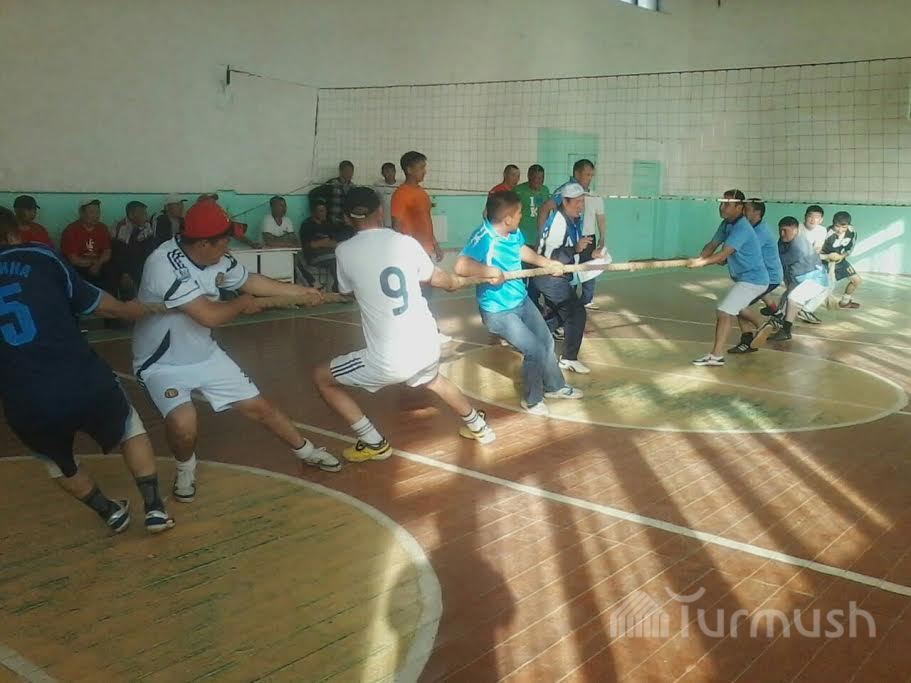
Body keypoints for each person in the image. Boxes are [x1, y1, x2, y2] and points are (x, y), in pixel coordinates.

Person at [133, 198, 340, 503]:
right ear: (203, 243)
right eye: (225, 240)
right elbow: (208, 315)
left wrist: (301, 292)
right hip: (162, 363)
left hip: (205, 354)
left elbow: (250, 280)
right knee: (183, 423)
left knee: (261, 407)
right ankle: (185, 468)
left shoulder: (216, 257)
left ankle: (307, 451)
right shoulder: (164, 265)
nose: (229, 246)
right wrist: (242, 303)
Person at [0, 206, 173, 534]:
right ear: (12, 234)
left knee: (57, 462)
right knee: (129, 428)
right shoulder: (39, 256)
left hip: (24, 397)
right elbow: (98, 304)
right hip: (80, 376)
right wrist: (128, 309)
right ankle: (154, 508)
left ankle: (109, 512)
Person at [314, 188, 494, 462]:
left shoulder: (344, 251)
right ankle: (478, 426)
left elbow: (347, 291)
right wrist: (456, 282)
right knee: (432, 379)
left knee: (322, 378)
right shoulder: (406, 243)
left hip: (388, 359)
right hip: (426, 345)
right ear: (380, 212)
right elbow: (442, 281)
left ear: (348, 220)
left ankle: (373, 442)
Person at [455, 190, 583, 416]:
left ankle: (555, 386)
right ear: (507, 219)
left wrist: (547, 263)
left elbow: (521, 250)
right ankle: (532, 400)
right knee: (533, 349)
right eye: (519, 213)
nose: (522, 216)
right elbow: (461, 266)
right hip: (498, 311)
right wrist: (488, 271)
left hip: (520, 300)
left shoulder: (513, 232)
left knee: (546, 340)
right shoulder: (485, 237)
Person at [687, 190, 769, 366]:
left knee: (724, 311)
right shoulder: (726, 224)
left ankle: (716, 356)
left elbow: (723, 254)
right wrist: (700, 258)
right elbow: (712, 245)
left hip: (754, 279)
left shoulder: (742, 228)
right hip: (744, 278)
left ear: (739, 207)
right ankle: (762, 324)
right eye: (721, 203)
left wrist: (701, 263)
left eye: (727, 204)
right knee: (734, 308)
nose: (722, 207)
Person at [391, 150, 450, 344]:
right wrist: (402, 251)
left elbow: (426, 222)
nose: (425, 171)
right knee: (416, 293)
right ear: (409, 169)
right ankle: (420, 331)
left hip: (427, 250)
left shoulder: (422, 193)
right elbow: (396, 224)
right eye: (421, 167)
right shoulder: (401, 194)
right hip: (412, 252)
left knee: (426, 292)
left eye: (425, 167)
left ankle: (426, 330)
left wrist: (435, 244)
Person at [534, 183, 591, 374]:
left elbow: (571, 250)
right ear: (565, 202)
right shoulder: (559, 222)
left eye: (582, 201)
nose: (581, 205)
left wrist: (591, 254)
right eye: (577, 202)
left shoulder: (571, 219)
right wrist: (575, 248)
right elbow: (550, 257)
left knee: (560, 315)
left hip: (557, 276)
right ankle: (569, 359)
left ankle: (531, 338)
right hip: (548, 276)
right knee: (577, 312)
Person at [538, 159, 607, 310]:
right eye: (587, 174)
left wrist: (601, 242)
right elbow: (544, 209)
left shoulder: (592, 196)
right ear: (576, 173)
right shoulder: (565, 194)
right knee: (564, 275)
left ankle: (582, 302)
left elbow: (601, 220)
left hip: (583, 240)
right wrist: (541, 236)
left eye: (591, 175)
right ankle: (558, 308)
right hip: (565, 244)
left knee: (584, 273)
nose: (589, 178)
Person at [728, 198, 784, 353]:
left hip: (768, 277)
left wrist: (716, 258)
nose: (742, 212)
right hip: (755, 276)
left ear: (757, 212)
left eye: (746, 209)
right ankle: (776, 314)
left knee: (738, 305)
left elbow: (738, 250)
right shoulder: (749, 228)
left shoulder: (760, 232)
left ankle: (762, 326)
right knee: (743, 302)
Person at [769, 217, 830, 342]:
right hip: (799, 279)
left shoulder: (799, 245)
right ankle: (780, 322)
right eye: (780, 230)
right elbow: (785, 268)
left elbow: (778, 262)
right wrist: (788, 285)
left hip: (816, 280)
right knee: (785, 301)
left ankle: (786, 330)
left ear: (796, 230)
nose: (782, 234)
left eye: (785, 231)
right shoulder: (783, 241)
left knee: (793, 298)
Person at [61, 199, 114, 292]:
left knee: (111, 271)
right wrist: (93, 263)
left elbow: (107, 251)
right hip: (80, 266)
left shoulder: (102, 228)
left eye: (98, 212)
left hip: (99, 264)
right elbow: (74, 260)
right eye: (92, 212)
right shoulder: (71, 230)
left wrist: (98, 264)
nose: (96, 216)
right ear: (81, 213)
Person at [111, 200, 157, 299]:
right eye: (142, 213)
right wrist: (125, 273)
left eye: (145, 213)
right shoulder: (121, 227)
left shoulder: (146, 226)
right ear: (131, 215)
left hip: (142, 263)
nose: (146, 216)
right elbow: (118, 253)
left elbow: (150, 248)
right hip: (125, 266)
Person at [821, 211, 862, 309]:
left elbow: (850, 248)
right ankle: (805, 308)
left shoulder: (852, 231)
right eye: (837, 226)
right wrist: (828, 256)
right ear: (833, 224)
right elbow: (816, 252)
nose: (840, 230)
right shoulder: (825, 234)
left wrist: (841, 256)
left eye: (844, 227)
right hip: (824, 262)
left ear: (848, 225)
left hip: (840, 260)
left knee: (856, 280)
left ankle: (844, 302)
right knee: (823, 288)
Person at [514, 165, 551, 247]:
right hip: (522, 236)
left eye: (541, 178)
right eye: (535, 178)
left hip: (539, 236)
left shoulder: (545, 190)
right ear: (529, 177)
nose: (538, 181)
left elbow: (547, 210)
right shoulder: (518, 191)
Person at [374, 162, 399, 229]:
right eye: (387, 172)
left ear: (395, 172)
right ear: (382, 173)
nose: (390, 174)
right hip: (383, 221)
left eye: (392, 171)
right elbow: (374, 203)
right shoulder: (377, 185)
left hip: (397, 222)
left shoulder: (401, 185)